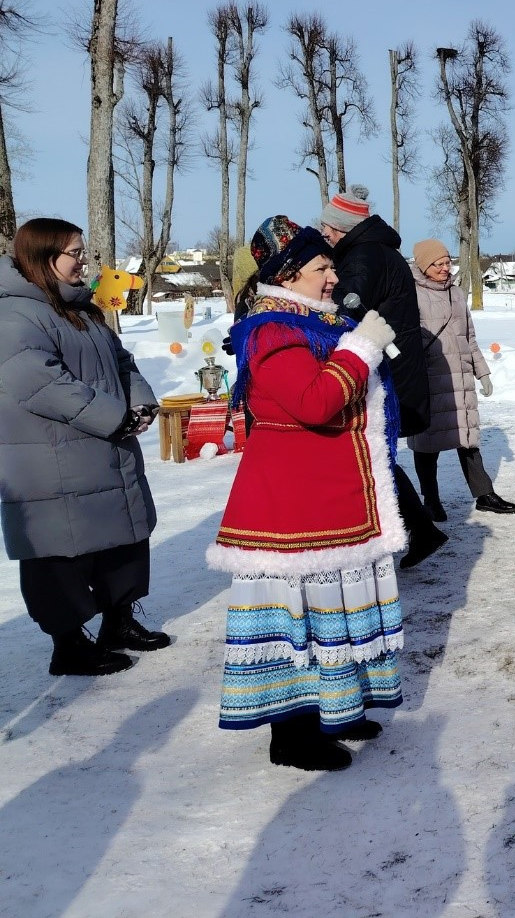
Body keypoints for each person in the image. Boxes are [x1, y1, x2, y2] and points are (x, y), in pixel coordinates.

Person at [207, 216, 406, 771]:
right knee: (303, 616)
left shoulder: (313, 323)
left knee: (333, 608)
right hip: (292, 505)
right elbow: (315, 402)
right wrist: (361, 348)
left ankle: (338, 708)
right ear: (288, 273)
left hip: (329, 495)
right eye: (321, 267)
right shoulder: (272, 330)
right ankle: (292, 735)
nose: (333, 277)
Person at [0, 218, 169, 677]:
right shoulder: (15, 314)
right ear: (43, 257)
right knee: (59, 552)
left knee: (123, 536)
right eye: (75, 253)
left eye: (83, 252)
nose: (84, 262)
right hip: (50, 457)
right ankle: (69, 645)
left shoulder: (83, 309)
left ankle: (119, 621)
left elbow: (122, 361)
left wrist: (139, 404)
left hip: (103, 446)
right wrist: (115, 417)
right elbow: (40, 382)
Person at [318, 183, 446, 568]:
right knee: (375, 455)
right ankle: (418, 531)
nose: (324, 234)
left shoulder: (363, 257)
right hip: (392, 367)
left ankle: (413, 531)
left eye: (327, 228)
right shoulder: (376, 251)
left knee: (371, 456)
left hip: (382, 371)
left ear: (341, 228)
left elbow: (343, 311)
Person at [408, 239, 515, 521]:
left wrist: (483, 372)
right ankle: (431, 500)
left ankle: (484, 494)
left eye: (448, 262)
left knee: (468, 439)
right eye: (438, 264)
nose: (446, 268)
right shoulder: (411, 294)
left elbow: (469, 337)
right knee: (426, 444)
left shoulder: (456, 293)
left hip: (461, 378)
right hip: (430, 380)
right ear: (424, 266)